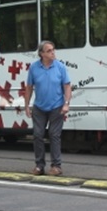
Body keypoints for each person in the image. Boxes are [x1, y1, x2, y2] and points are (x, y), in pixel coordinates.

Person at [24, 40, 71, 176]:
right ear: (41, 54)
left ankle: (56, 166)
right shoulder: (34, 68)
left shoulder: (60, 67)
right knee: (37, 135)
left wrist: (66, 103)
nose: (53, 53)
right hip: (39, 107)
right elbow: (29, 88)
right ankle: (39, 166)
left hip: (57, 106)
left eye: (53, 50)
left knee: (54, 135)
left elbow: (67, 86)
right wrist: (27, 106)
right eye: (49, 50)